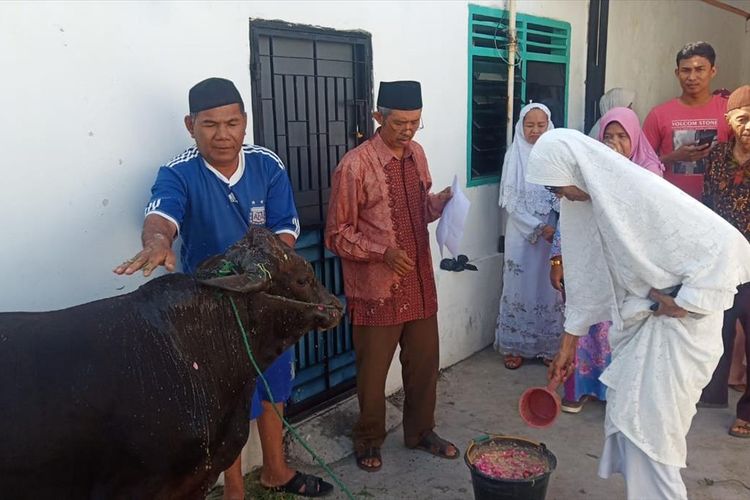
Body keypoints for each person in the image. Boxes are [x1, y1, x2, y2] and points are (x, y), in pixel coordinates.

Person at [113, 77, 332, 498]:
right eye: (210, 124)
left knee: (274, 387)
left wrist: (262, 267)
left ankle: (276, 470)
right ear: (190, 124)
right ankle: (234, 490)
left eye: (232, 123)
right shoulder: (178, 172)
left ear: (245, 123)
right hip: (211, 310)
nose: (222, 134)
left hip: (268, 301)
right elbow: (161, 215)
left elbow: (286, 228)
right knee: (225, 401)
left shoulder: (267, 164)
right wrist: (157, 242)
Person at [530, 129, 750, 499]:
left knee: (656, 437)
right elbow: (585, 276)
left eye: (560, 187)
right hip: (639, 327)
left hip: (680, 335)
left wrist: (685, 299)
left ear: (580, 170)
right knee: (630, 427)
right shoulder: (583, 205)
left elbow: (729, 246)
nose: (561, 196)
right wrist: (568, 345)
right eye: (554, 192)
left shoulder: (644, 194)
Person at [325, 81, 456, 473]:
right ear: (379, 117)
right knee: (372, 374)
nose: (408, 130)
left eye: (415, 122)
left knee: (424, 365)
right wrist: (383, 253)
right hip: (376, 291)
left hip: (418, 284)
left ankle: (420, 432)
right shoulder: (355, 165)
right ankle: (368, 440)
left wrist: (441, 205)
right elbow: (336, 233)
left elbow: (419, 208)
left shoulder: (418, 154)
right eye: (400, 122)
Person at [551, 107, 664, 413]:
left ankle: (619, 394)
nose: (614, 143)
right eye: (608, 136)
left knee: (623, 330)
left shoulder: (649, 177)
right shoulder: (588, 173)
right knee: (587, 325)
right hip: (591, 265)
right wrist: (558, 260)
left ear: (636, 139)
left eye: (622, 136)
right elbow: (569, 218)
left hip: (630, 274)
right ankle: (582, 388)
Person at [698, 85, 750, 439]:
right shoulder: (716, 156)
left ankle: (747, 410)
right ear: (729, 120)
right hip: (722, 259)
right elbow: (706, 203)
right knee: (716, 325)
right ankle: (711, 392)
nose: (748, 127)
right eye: (743, 118)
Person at [495, 103, 563, 370]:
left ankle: (549, 346)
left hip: (552, 234)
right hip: (522, 233)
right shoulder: (514, 156)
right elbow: (511, 202)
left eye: (541, 125)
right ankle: (515, 345)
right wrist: (538, 227)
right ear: (520, 127)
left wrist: (555, 227)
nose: (535, 131)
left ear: (549, 126)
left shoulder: (556, 155)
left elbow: (562, 195)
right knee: (519, 285)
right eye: (529, 125)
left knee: (549, 288)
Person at [643, 41, 730, 200]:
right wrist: (673, 157)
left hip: (719, 208)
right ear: (677, 73)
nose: (692, 77)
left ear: (713, 71)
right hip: (672, 203)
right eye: (686, 70)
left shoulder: (729, 112)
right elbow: (639, 165)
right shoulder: (658, 115)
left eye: (699, 70)